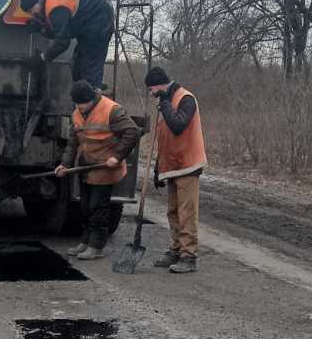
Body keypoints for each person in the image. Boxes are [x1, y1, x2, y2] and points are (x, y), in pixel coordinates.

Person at [55, 80, 142, 261]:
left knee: (98, 208)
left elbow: (132, 132)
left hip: (105, 167)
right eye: (77, 104)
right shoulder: (77, 114)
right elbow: (73, 142)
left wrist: (117, 157)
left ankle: (96, 246)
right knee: (85, 207)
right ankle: (85, 241)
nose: (80, 107)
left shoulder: (112, 110)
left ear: (91, 99)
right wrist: (65, 164)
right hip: (86, 167)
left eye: (83, 103)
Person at [145, 66, 207, 274]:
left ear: (156, 85)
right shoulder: (165, 102)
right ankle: (176, 249)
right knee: (173, 212)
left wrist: (164, 104)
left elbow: (178, 125)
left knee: (186, 212)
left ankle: (188, 257)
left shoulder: (186, 98)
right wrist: (158, 169)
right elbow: (164, 138)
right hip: (172, 164)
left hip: (188, 164)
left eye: (150, 89)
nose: (151, 94)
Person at [19, 0, 114, 90]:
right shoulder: (48, 4)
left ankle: (93, 91)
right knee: (77, 68)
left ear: (37, 2)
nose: (32, 14)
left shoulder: (56, 8)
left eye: (31, 10)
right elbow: (61, 32)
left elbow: (63, 43)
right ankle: (86, 91)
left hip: (100, 20)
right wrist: (42, 29)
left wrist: (43, 58)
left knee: (89, 67)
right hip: (88, 25)